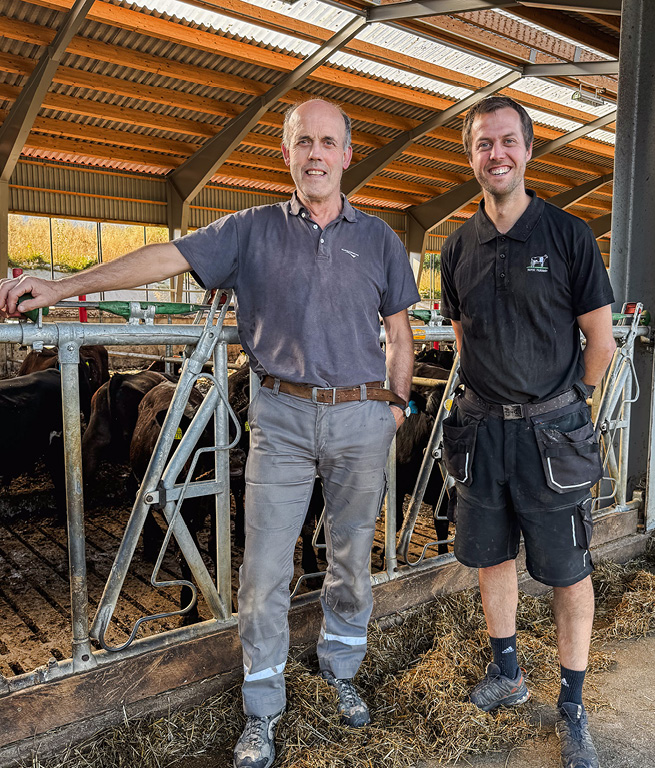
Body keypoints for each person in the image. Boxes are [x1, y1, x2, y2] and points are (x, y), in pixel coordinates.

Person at [0, 98, 420, 768]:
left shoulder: (380, 241)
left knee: (349, 558)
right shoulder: (251, 231)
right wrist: (65, 286)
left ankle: (341, 673)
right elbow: (164, 256)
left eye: (328, 142)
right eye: (302, 142)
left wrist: (396, 408)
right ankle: (262, 710)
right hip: (279, 418)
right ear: (286, 154)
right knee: (260, 570)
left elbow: (402, 334)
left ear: (346, 154)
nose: (315, 154)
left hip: (359, 419)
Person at [439, 96, 616, 768]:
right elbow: (463, 340)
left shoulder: (568, 235)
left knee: (568, 571)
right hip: (483, 432)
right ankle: (507, 673)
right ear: (472, 157)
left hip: (553, 433)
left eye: (508, 142)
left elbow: (599, 340)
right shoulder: (457, 245)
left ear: (529, 150)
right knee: (491, 557)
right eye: (485, 144)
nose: (497, 155)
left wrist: (574, 405)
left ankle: (572, 706)